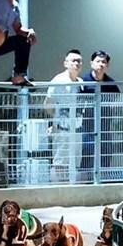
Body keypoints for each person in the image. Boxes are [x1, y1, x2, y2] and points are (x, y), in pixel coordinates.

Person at [45, 50, 87, 182]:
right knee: (60, 162)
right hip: (62, 130)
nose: (77, 63)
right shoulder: (59, 80)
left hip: (77, 130)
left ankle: (72, 188)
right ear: (66, 63)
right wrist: (57, 121)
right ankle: (58, 189)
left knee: (75, 162)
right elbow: (48, 104)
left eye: (79, 61)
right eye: (73, 60)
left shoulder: (81, 82)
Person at [81, 50, 121, 171]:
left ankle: (104, 176)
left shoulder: (110, 82)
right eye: (98, 61)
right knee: (87, 152)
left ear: (107, 65)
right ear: (91, 63)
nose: (101, 64)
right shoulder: (83, 81)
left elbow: (116, 97)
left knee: (105, 151)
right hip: (88, 124)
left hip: (105, 123)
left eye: (103, 62)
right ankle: (86, 177)